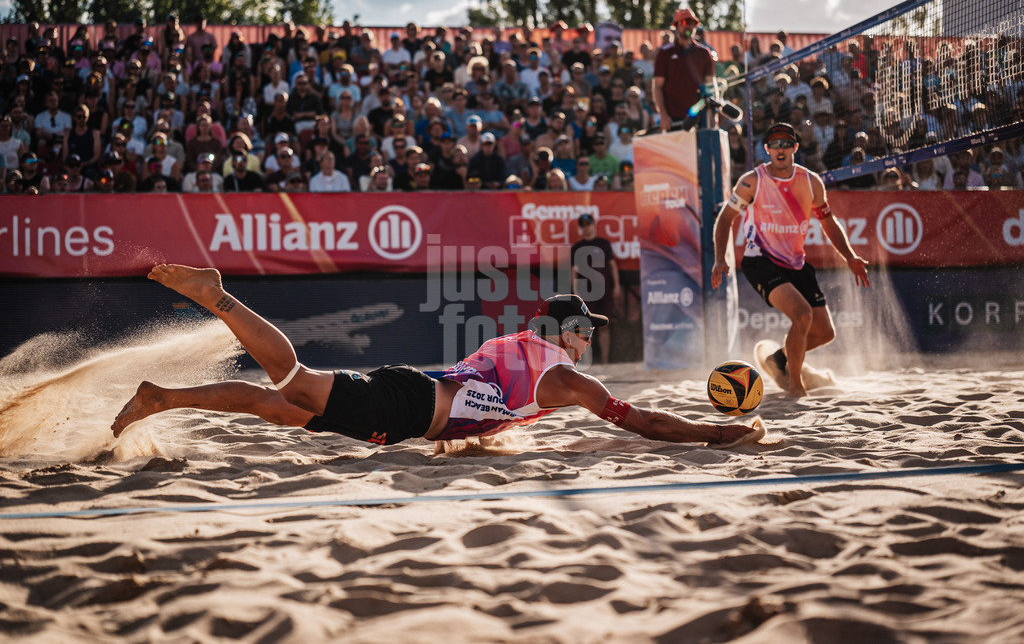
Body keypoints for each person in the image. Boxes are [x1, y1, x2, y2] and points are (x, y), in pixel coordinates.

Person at [111, 265, 758, 449]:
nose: (590, 336)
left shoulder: (514, 343)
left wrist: (477, 436)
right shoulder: (564, 373)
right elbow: (640, 421)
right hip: (411, 407)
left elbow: (485, 403)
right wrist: (715, 431)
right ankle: (218, 296)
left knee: (276, 408)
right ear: (566, 329)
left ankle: (160, 397)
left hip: (418, 396)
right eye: (585, 327)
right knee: (297, 384)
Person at [710, 122, 871, 398]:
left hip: (796, 262)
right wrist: (719, 259)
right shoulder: (752, 181)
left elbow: (829, 223)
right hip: (760, 260)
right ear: (767, 150)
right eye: (775, 144)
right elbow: (724, 219)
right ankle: (796, 386)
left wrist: (850, 256)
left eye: (786, 143)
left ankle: (779, 359)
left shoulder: (811, 182)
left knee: (824, 332)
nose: (780, 148)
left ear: (795, 147)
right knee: (803, 315)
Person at [652, 8, 715, 133]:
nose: (689, 27)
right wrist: (663, 115)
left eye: (692, 23)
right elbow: (657, 87)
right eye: (684, 23)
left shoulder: (704, 53)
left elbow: (710, 86)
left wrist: (713, 114)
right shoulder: (665, 53)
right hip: (673, 120)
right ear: (676, 26)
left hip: (700, 120)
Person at [571, 213, 622, 364]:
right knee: (585, 327)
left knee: (605, 326)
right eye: (583, 225)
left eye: (588, 224)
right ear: (581, 228)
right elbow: (574, 270)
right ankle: (587, 363)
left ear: (593, 225)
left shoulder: (604, 243)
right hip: (586, 291)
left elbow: (613, 266)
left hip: (605, 290)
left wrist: (617, 285)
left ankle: (605, 362)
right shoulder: (577, 247)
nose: (586, 227)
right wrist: (575, 291)